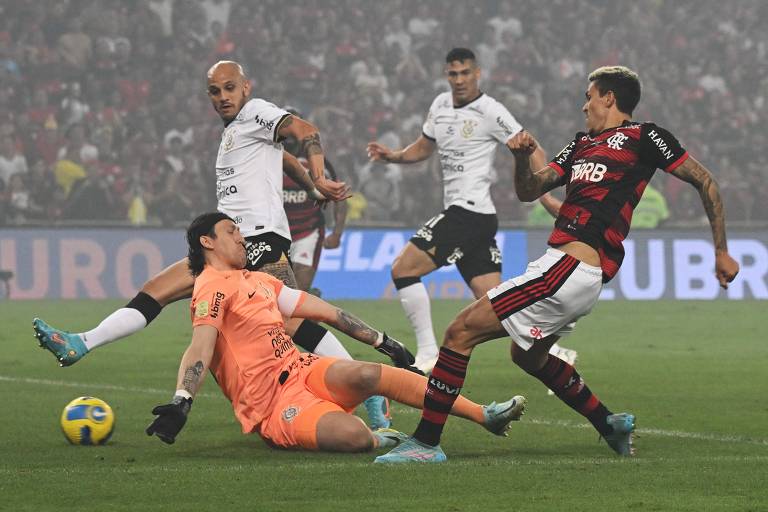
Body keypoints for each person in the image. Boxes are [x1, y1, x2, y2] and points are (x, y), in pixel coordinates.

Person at [376, 65, 740, 463]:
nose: (584, 105)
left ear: (609, 98)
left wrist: (720, 250)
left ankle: (427, 443)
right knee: (527, 356)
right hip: (567, 269)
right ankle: (609, 422)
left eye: (589, 96)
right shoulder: (582, 144)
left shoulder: (645, 136)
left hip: (571, 268)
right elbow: (530, 190)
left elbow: (705, 181)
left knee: (460, 331)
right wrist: (519, 158)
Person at [32, 60, 411, 428]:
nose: (223, 96)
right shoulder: (237, 130)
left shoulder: (257, 111)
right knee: (155, 291)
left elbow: (306, 129)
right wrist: (311, 186)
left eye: (230, 88)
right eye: (215, 91)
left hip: (257, 236)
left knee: (294, 322)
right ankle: (81, 342)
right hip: (222, 245)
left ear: (246, 87)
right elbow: (283, 158)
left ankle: (372, 393)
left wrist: (318, 176)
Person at [145, 212, 527, 453]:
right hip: (272, 406)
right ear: (207, 242)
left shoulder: (258, 280)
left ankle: (485, 415)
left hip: (302, 369)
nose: (242, 237)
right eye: (231, 231)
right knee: (356, 438)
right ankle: (376, 437)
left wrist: (381, 340)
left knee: (366, 373)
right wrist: (182, 400)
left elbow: (327, 312)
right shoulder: (211, 286)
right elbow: (200, 345)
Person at [367, 48, 564, 373]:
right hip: (477, 219)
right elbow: (424, 146)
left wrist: (543, 195)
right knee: (494, 302)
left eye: (465, 73)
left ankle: (428, 355)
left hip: (468, 214)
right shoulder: (440, 105)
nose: (458, 80)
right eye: (453, 74)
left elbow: (532, 146)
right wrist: (394, 157)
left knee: (403, 269)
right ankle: (554, 346)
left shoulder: (490, 111)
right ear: (447, 75)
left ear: (477, 74)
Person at [281, 106, 347, 294]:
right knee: (277, 294)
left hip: (307, 233)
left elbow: (339, 196)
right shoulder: (265, 157)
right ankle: (312, 299)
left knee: (297, 292)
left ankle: (306, 296)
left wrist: (337, 233)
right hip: (276, 233)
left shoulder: (317, 162)